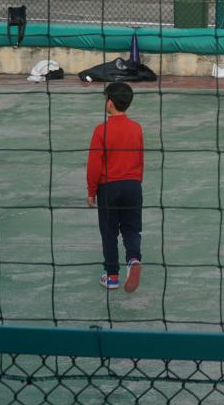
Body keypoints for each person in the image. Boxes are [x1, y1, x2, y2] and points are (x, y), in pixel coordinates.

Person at [87, 82, 145, 293]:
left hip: (108, 188)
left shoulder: (100, 130)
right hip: (133, 186)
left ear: (109, 103)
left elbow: (94, 164)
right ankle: (133, 259)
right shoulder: (137, 128)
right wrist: (136, 182)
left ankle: (112, 276)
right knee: (131, 228)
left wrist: (91, 191)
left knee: (109, 231)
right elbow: (140, 158)